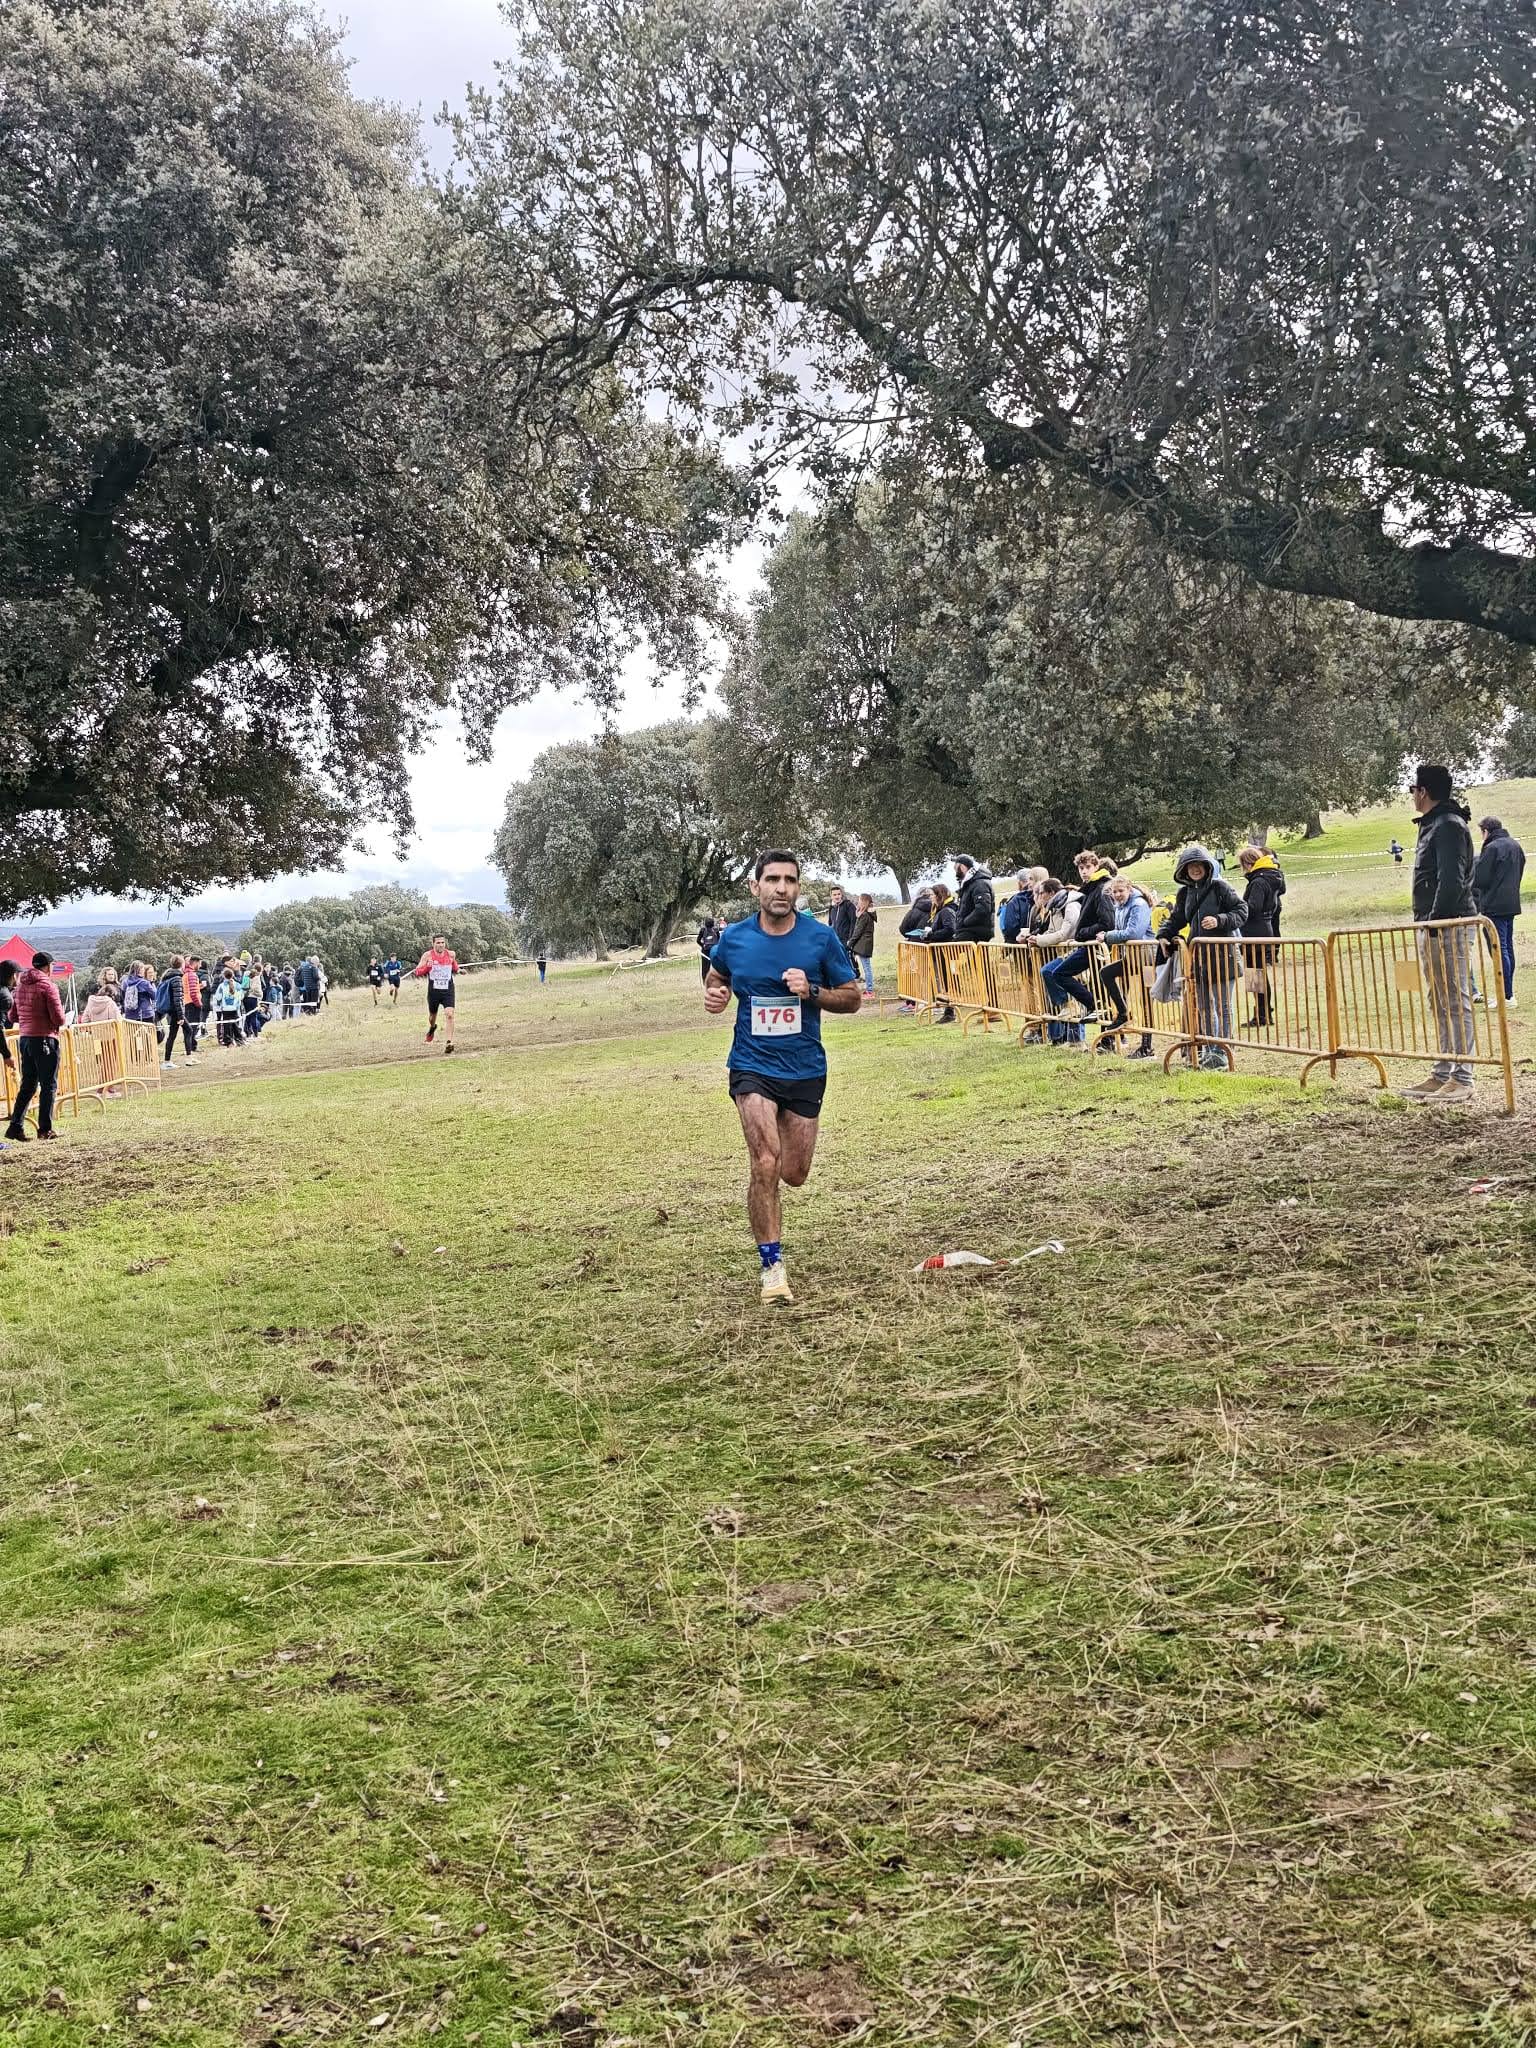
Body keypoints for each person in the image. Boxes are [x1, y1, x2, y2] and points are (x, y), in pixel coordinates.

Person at [704, 849, 861, 1306]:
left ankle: (773, 1233)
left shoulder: (820, 938)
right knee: (765, 1161)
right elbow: (718, 976)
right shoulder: (734, 938)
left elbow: (852, 998)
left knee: (793, 1173)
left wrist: (811, 991)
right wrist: (716, 996)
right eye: (772, 879)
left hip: (805, 1068)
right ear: (755, 887)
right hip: (752, 1065)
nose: (781, 888)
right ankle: (772, 1268)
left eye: (790, 880)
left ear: (798, 887)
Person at [1404, 765, 1478, 1102]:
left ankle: (1462, 1075)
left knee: (1454, 997)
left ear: (1423, 791)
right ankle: (1443, 1070)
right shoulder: (1434, 825)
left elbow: (1452, 880)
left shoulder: (1447, 826)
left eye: (1413, 790)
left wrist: (1434, 922)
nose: (1412, 797)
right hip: (1433, 924)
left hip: (1449, 924)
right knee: (1439, 999)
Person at [1158, 845, 1248, 1070]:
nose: (1195, 869)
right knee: (1205, 1007)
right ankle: (1209, 1050)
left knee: (1223, 1006)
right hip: (1198, 958)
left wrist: (1221, 920)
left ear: (1207, 867)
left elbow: (1242, 911)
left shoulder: (1220, 888)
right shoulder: (1184, 893)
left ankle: (1223, 1052)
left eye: (1199, 865)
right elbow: (1177, 918)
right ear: (1184, 870)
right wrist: (1163, 935)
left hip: (1223, 955)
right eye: (1190, 866)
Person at [1041, 852, 1119, 1047]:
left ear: (1096, 866)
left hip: (1098, 947)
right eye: (1081, 868)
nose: (1084, 872)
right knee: (1059, 974)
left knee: (1102, 990)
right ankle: (1095, 1007)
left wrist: (1083, 932)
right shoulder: (1090, 889)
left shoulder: (1102, 888)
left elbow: (1108, 922)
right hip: (1088, 945)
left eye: (1087, 867)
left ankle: (1109, 1037)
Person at [4, 951, 65, 1140]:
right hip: (45, 1038)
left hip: (25, 1039)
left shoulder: (20, 986)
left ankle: (16, 1126)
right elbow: (59, 1017)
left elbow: (12, 1016)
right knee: (48, 1084)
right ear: (48, 966)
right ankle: (45, 1128)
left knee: (28, 1084)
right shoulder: (48, 986)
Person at [1096, 876, 1156, 1058]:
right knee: (1106, 973)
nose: (1118, 895)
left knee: (1146, 1001)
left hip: (1146, 956)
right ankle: (1123, 1013)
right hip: (1131, 956)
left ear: (1129, 889)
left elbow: (1134, 933)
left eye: (1121, 891)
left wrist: (1108, 936)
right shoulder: (1119, 907)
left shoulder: (1138, 904)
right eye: (1114, 892)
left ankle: (1147, 1046)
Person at [1474, 815, 1525, 1009]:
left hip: (1494, 905)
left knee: (1498, 947)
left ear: (1486, 831)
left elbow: (1481, 878)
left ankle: (1505, 994)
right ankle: (1508, 994)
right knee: (1507, 947)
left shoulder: (1492, 848)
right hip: (1511, 903)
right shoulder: (1515, 846)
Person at [1237, 845, 1287, 1027]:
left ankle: (1262, 1014)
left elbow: (1253, 907)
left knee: (1255, 974)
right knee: (1257, 974)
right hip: (1264, 928)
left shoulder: (1258, 881)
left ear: (1248, 863)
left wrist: (1238, 906)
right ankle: (1263, 1012)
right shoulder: (1270, 876)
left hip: (1254, 931)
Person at [917, 881, 960, 1021]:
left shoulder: (947, 911)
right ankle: (948, 1011)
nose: (930, 898)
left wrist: (931, 935)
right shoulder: (940, 911)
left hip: (946, 951)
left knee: (949, 982)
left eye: (932, 895)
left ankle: (950, 1011)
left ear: (939, 895)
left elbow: (950, 930)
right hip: (941, 951)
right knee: (947, 982)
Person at [412, 935, 459, 1050]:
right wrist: (427, 968)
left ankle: (449, 1042)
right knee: (432, 1016)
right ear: (433, 944)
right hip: (434, 991)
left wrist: (459, 970)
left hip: (448, 989)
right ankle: (432, 1028)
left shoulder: (451, 954)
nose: (441, 945)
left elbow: (454, 966)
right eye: (438, 943)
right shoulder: (427, 956)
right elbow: (417, 972)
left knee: (450, 1014)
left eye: (442, 942)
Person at [999, 867, 1046, 944]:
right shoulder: (1029, 901)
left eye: (1031, 879)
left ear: (1019, 882)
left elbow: (1010, 927)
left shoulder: (1016, 900)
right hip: (1031, 944)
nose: (1029, 882)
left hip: (1026, 945)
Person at [155, 954, 186, 1068]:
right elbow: (178, 999)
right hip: (174, 1011)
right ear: (182, 964)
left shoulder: (166, 977)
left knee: (188, 1030)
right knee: (172, 1036)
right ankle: (167, 1061)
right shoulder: (177, 978)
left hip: (169, 1010)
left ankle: (188, 1055)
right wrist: (181, 1016)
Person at [848, 893, 877, 993]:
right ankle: (869, 988)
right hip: (864, 944)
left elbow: (858, 931)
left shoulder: (864, 916)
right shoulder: (866, 914)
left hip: (863, 945)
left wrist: (850, 943)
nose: (858, 902)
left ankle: (869, 990)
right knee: (866, 967)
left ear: (864, 902)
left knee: (866, 968)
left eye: (859, 901)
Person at [211, 968, 243, 1047]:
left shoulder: (222, 986)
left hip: (225, 1009)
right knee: (235, 1024)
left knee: (227, 1025)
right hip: (235, 1008)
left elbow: (218, 997)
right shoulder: (238, 985)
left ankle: (228, 1041)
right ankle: (239, 1039)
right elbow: (241, 996)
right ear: (233, 975)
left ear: (224, 976)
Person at [181, 956, 204, 1058]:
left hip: (188, 1003)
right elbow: (193, 992)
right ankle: (190, 1048)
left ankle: (192, 1046)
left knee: (191, 1027)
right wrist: (199, 1004)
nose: (200, 965)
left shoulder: (186, 974)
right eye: (199, 963)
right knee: (192, 1027)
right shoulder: (191, 975)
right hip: (192, 1004)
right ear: (195, 963)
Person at [824, 885, 858, 953]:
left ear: (841, 895)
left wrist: (851, 939)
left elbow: (854, 922)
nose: (837, 896)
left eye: (839, 894)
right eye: (834, 895)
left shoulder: (848, 905)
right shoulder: (831, 908)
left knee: (850, 962)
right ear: (831, 896)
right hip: (836, 941)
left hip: (847, 941)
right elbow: (830, 924)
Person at [696, 912, 723, 984]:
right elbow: (718, 940)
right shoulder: (716, 929)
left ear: (705, 924)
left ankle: (705, 982)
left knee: (705, 968)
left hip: (705, 951)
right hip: (714, 950)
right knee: (716, 967)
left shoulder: (702, 930)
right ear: (713, 923)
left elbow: (698, 941)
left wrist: (703, 946)